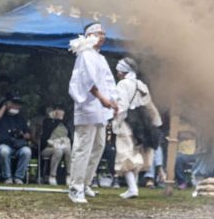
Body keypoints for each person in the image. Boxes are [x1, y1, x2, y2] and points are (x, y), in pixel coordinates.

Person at [67, 22, 119, 204]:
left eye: (104, 33)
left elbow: (108, 82)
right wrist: (101, 98)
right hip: (88, 107)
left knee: (99, 146)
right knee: (83, 147)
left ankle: (86, 182)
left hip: (101, 109)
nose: (102, 36)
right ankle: (76, 186)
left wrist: (113, 100)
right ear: (89, 35)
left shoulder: (100, 58)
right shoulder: (86, 55)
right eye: (99, 33)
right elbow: (87, 80)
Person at [111, 57, 162, 199]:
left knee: (125, 154)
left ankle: (133, 188)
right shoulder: (141, 85)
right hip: (141, 123)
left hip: (127, 121)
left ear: (122, 72)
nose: (117, 73)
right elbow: (149, 105)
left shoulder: (123, 85)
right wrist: (156, 122)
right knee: (136, 153)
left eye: (118, 71)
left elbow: (122, 106)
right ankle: (133, 187)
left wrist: (116, 124)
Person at [0, 95, 34, 184]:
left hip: (19, 145)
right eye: (14, 104)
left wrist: (24, 134)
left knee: (27, 151)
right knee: (4, 151)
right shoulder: (1, 116)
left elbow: (29, 135)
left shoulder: (21, 118)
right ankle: (7, 178)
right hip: (4, 144)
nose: (16, 106)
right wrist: (4, 106)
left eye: (18, 105)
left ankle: (19, 177)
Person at [39, 107, 72, 185]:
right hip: (48, 147)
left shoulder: (64, 123)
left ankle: (69, 175)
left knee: (68, 150)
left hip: (63, 145)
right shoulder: (47, 121)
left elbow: (69, 136)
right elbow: (45, 135)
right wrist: (56, 119)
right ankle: (52, 176)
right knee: (58, 151)